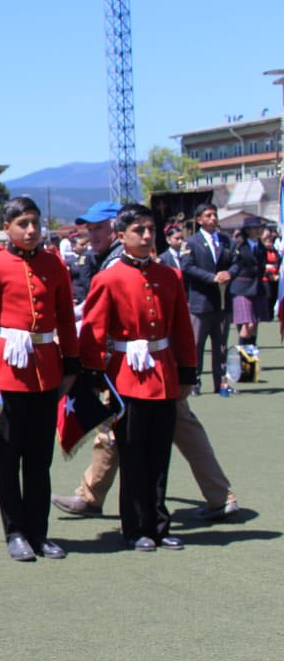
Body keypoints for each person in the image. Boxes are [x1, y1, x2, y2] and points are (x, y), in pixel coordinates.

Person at [52, 201, 240, 523]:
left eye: (98, 227)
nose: (91, 234)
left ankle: (211, 498)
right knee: (120, 431)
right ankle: (93, 494)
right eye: (88, 228)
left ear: (116, 229)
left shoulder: (123, 264)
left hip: (145, 367)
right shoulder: (109, 262)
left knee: (153, 430)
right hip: (132, 366)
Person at [0, 197, 79, 561]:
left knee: (39, 459)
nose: (31, 230)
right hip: (6, 375)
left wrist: (72, 362)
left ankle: (39, 532)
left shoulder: (54, 265)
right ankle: (14, 532)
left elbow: (64, 317)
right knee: (8, 458)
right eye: (22, 224)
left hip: (45, 372)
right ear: (8, 228)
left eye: (35, 223)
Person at [79, 204, 197, 550]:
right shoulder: (109, 278)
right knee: (132, 456)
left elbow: (181, 330)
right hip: (126, 377)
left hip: (162, 373)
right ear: (121, 236)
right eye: (138, 231)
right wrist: (97, 376)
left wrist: (187, 371)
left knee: (160, 455)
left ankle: (159, 524)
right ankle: (135, 528)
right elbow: (93, 331)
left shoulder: (169, 276)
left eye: (150, 230)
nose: (147, 237)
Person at [180, 203, 234, 395]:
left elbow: (236, 263)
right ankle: (194, 382)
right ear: (199, 220)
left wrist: (228, 273)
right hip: (201, 302)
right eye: (208, 215)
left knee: (220, 345)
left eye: (215, 214)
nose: (213, 218)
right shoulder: (191, 242)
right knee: (197, 344)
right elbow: (187, 266)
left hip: (222, 302)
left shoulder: (226, 241)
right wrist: (211, 277)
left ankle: (221, 382)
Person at [228, 216, 267, 359]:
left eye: (260, 228)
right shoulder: (240, 246)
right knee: (248, 325)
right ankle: (242, 358)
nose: (259, 230)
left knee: (255, 325)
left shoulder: (261, 247)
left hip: (257, 288)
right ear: (248, 230)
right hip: (242, 287)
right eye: (256, 228)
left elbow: (261, 267)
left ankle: (251, 357)